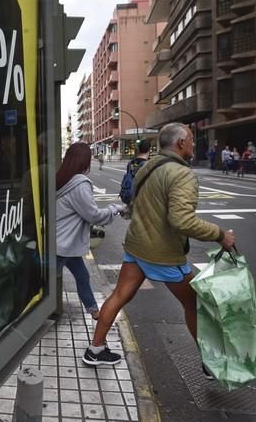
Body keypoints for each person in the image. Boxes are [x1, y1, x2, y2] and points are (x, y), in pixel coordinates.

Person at [82, 123, 235, 378]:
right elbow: (183, 220)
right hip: (162, 252)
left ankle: (95, 349)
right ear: (181, 143)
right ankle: (211, 363)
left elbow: (132, 201)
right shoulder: (182, 174)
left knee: (119, 295)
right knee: (194, 303)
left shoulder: (146, 167)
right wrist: (220, 235)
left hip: (136, 244)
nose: (194, 144)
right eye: (192, 139)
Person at [57, 143, 125, 319]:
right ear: (84, 161)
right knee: (45, 279)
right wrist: (114, 209)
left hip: (62, 240)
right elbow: (93, 215)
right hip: (63, 242)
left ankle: (94, 311)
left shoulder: (61, 178)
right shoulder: (79, 183)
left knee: (82, 275)